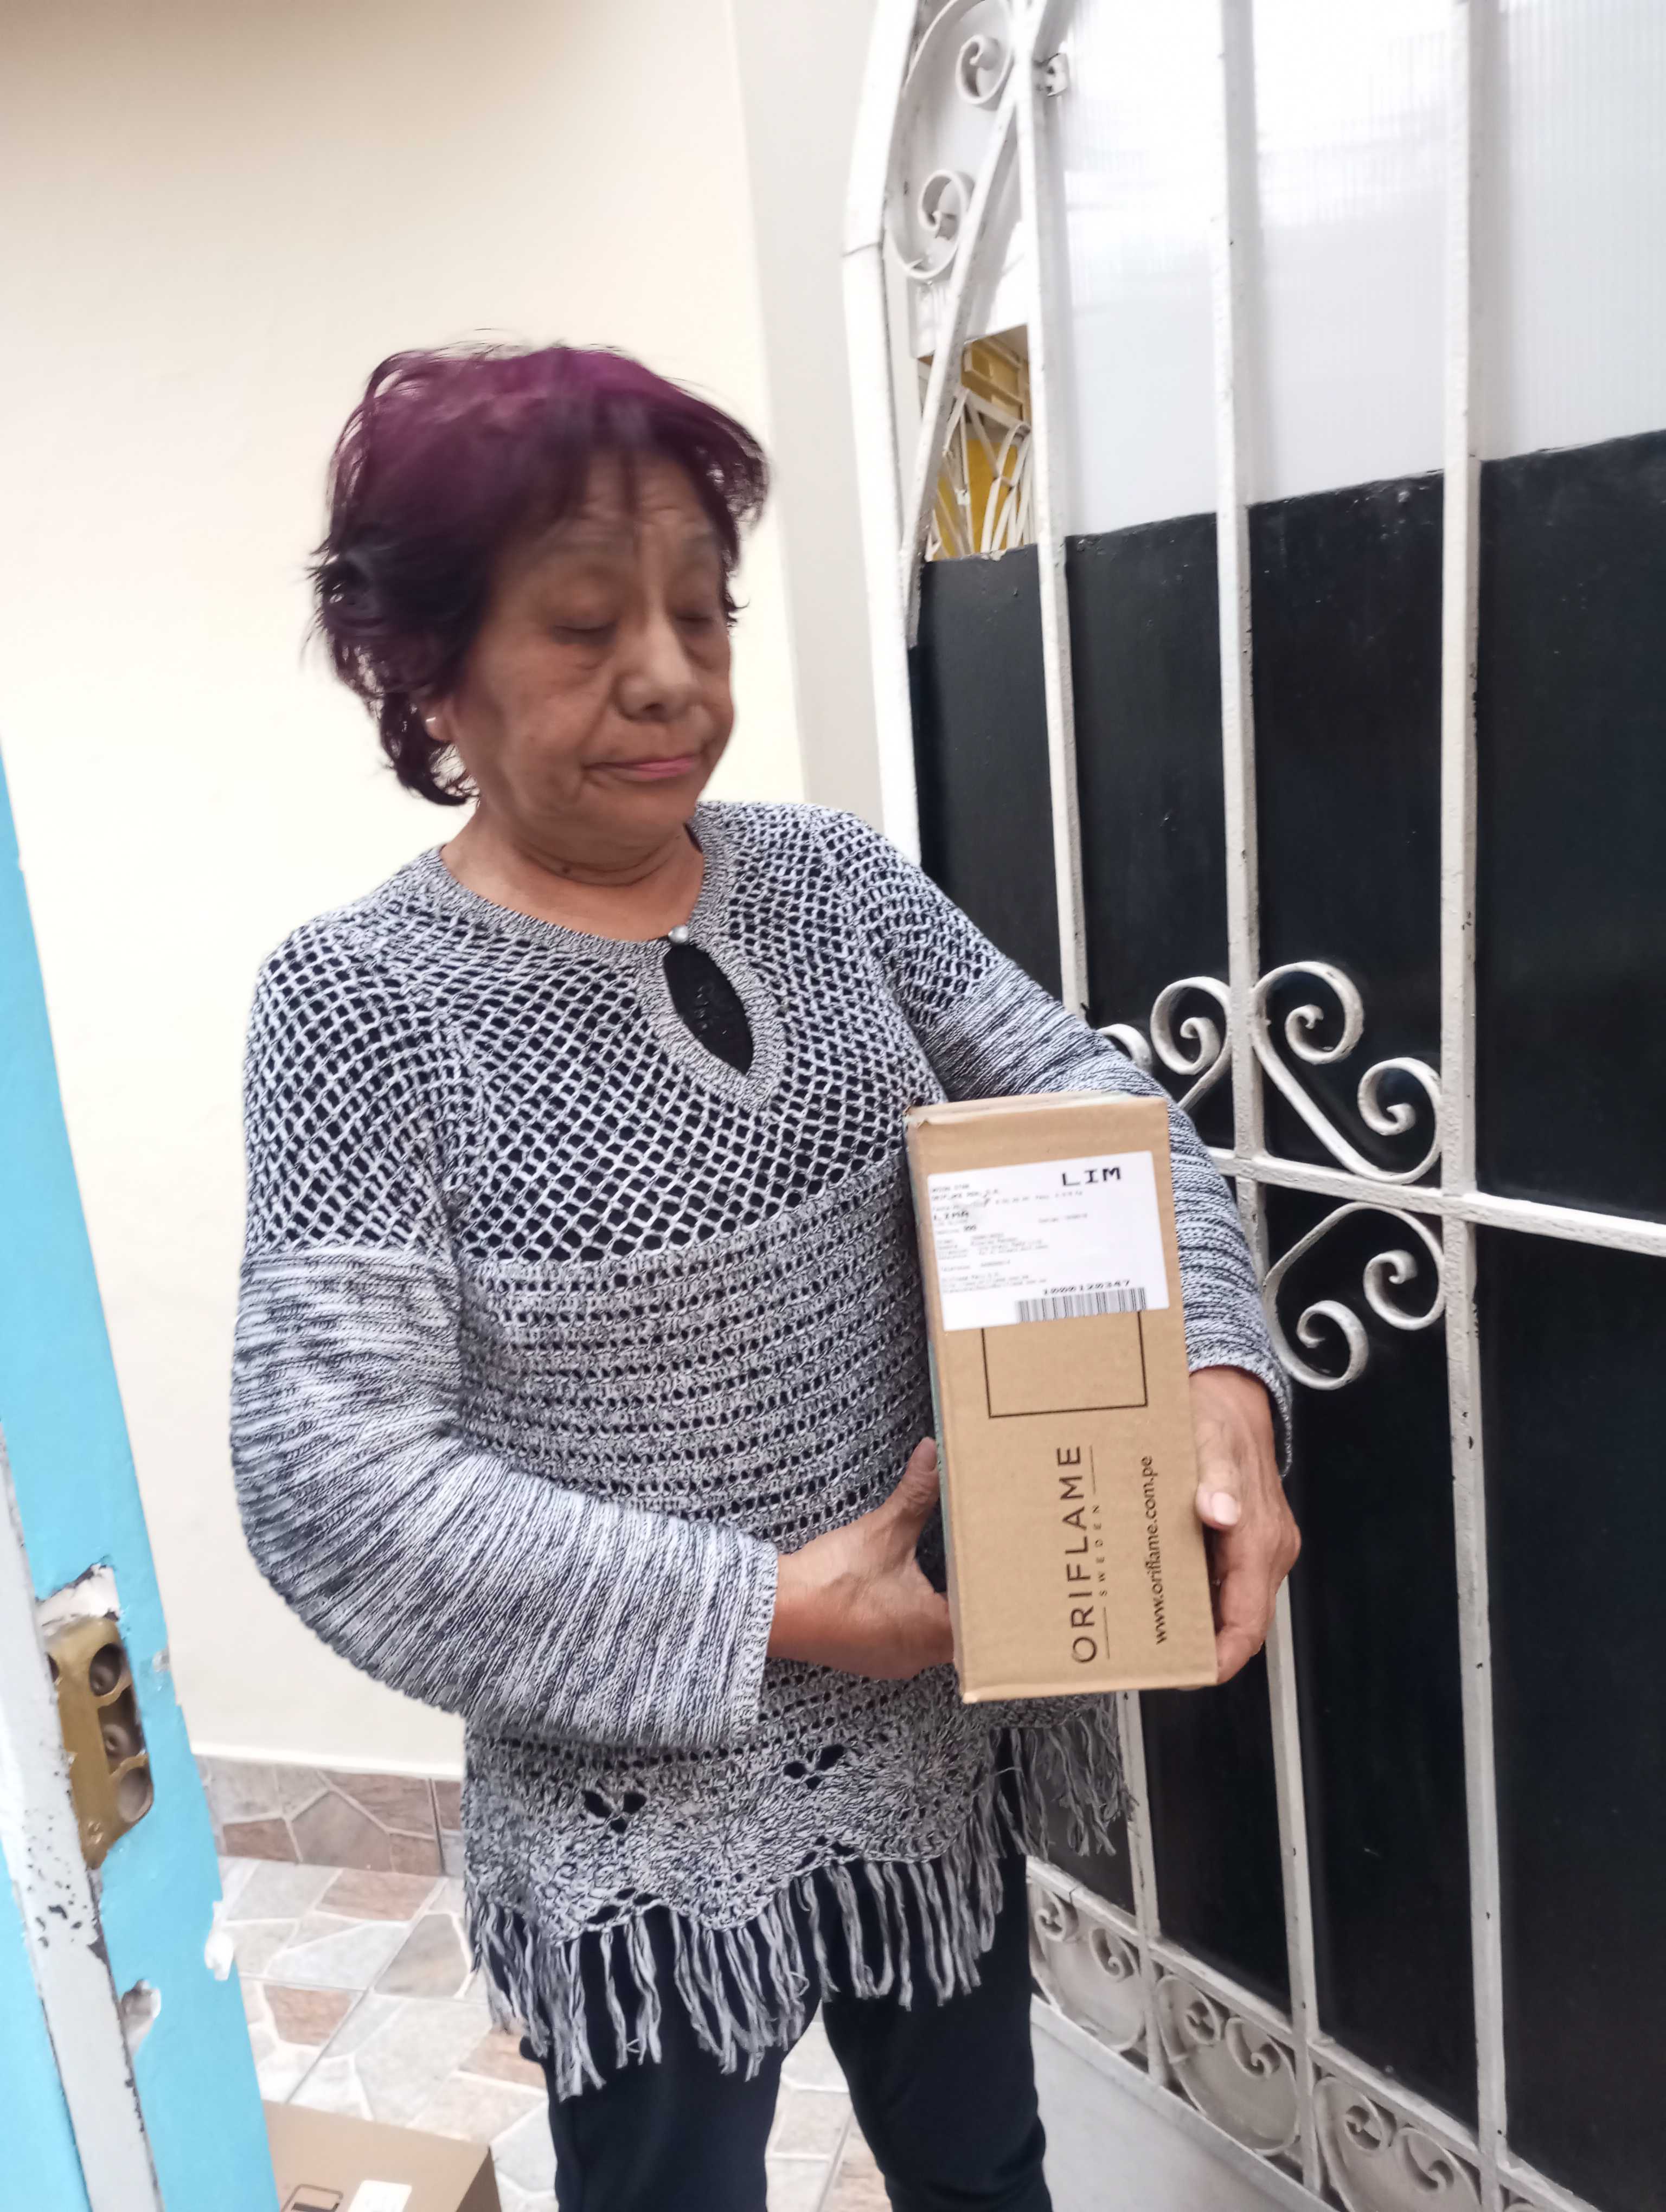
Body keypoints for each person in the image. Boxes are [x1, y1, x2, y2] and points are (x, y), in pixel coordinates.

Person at [232, 343, 1299, 2212]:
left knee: (984, 2174)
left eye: (703, 612)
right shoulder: (363, 1006)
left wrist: (1218, 1373)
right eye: (585, 625)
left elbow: (1092, 1106)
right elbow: (336, 1481)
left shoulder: (833, 885)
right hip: (634, 1829)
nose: (669, 675)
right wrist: (769, 1611)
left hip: (930, 1741)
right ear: (431, 673)